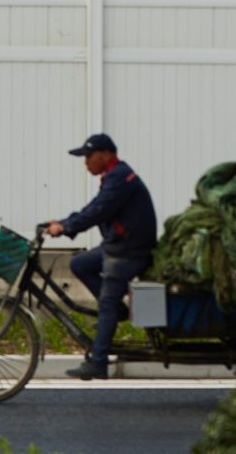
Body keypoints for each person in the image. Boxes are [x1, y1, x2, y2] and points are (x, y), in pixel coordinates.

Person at [45, 132, 157, 380]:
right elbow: (94, 208)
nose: (86, 162)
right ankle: (118, 312)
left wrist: (65, 227)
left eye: (89, 156)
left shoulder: (120, 178)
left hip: (130, 250)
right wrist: (64, 222)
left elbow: (98, 211)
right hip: (119, 246)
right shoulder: (114, 176)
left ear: (106, 155)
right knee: (80, 264)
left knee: (107, 300)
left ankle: (99, 362)